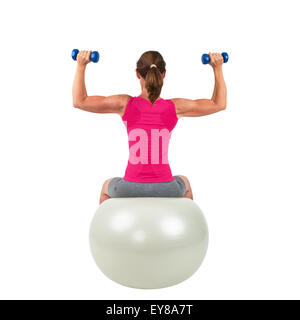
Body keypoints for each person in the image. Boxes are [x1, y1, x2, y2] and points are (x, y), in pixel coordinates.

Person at [72, 50, 227, 204]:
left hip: (130, 187)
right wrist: (217, 68)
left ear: (137, 74)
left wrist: (81, 65)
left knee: (106, 186)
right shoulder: (176, 107)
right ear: (164, 74)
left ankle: (105, 229)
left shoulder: (124, 104)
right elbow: (218, 104)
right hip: (167, 187)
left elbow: (80, 101)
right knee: (184, 182)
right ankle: (189, 227)